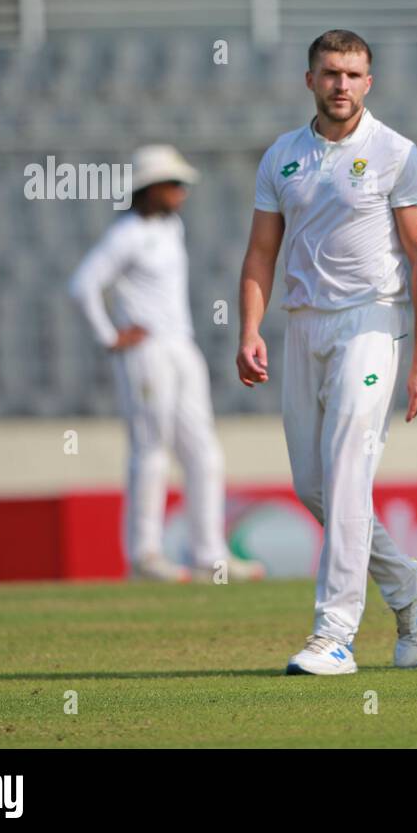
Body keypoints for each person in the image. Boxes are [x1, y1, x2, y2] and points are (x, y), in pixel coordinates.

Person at [237, 29, 417, 676]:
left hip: (371, 320)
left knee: (349, 470)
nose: (342, 85)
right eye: (331, 73)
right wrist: (249, 329)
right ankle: (411, 586)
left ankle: (334, 634)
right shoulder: (282, 155)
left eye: (355, 75)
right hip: (303, 326)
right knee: (315, 485)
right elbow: (260, 253)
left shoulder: (394, 152)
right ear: (310, 80)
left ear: (370, 82)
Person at [69, 145, 265, 584]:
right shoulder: (127, 234)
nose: (181, 191)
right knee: (151, 449)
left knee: (204, 452)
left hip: (181, 344)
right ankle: (144, 556)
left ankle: (209, 555)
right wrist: (111, 336)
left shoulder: (170, 227)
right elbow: (83, 285)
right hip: (146, 350)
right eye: (172, 183)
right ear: (148, 187)